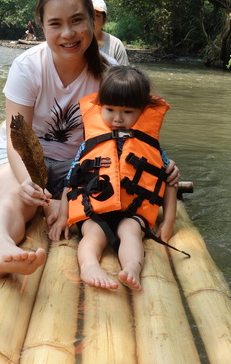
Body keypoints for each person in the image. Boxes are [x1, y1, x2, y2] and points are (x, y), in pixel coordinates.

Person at [0, 0, 179, 280]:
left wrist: (164, 165)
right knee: (14, 197)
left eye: (77, 21)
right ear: (42, 26)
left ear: (93, 21)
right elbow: (15, 135)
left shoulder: (111, 73)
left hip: (84, 167)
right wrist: (33, 186)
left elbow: (135, 134)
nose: (68, 34)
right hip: (24, 161)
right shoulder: (28, 67)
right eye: (56, 24)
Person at [49, 66, 177, 291]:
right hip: (95, 210)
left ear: (142, 110)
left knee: (131, 232)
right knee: (93, 233)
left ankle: (131, 268)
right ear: (100, 106)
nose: (117, 118)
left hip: (132, 211)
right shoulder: (91, 143)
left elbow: (170, 183)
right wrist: (62, 217)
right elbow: (72, 179)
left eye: (128, 112)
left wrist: (168, 222)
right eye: (110, 109)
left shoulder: (150, 145)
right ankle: (89, 266)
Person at [91, 0, 130, 65]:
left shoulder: (116, 45)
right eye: (89, 15)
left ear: (104, 20)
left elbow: (124, 73)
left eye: (97, 16)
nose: (92, 19)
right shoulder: (76, 44)